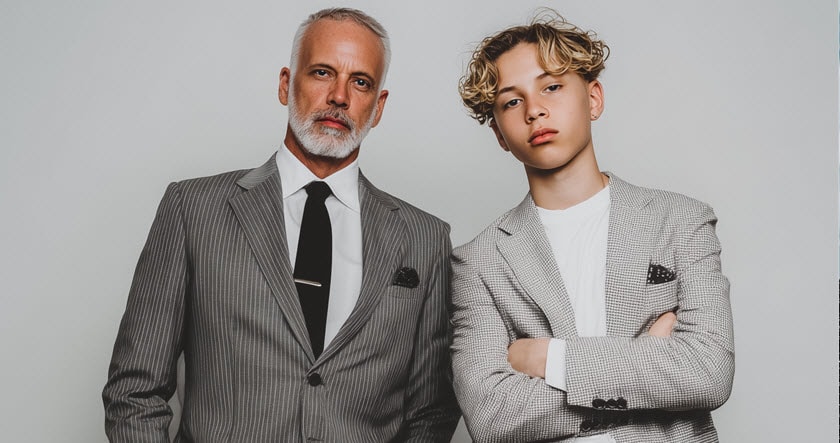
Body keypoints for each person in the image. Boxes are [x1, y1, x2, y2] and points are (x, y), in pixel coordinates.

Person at [102, 8, 459, 442]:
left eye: (360, 82)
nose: (339, 96)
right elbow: (135, 391)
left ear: (378, 107)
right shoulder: (193, 209)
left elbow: (431, 413)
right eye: (323, 72)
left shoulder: (425, 240)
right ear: (286, 84)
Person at [450, 10, 734, 442]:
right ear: (500, 136)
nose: (535, 111)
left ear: (594, 99)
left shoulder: (681, 220)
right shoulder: (478, 260)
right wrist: (650, 364)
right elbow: (492, 418)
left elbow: (708, 371)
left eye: (552, 86)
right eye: (512, 101)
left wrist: (551, 359)